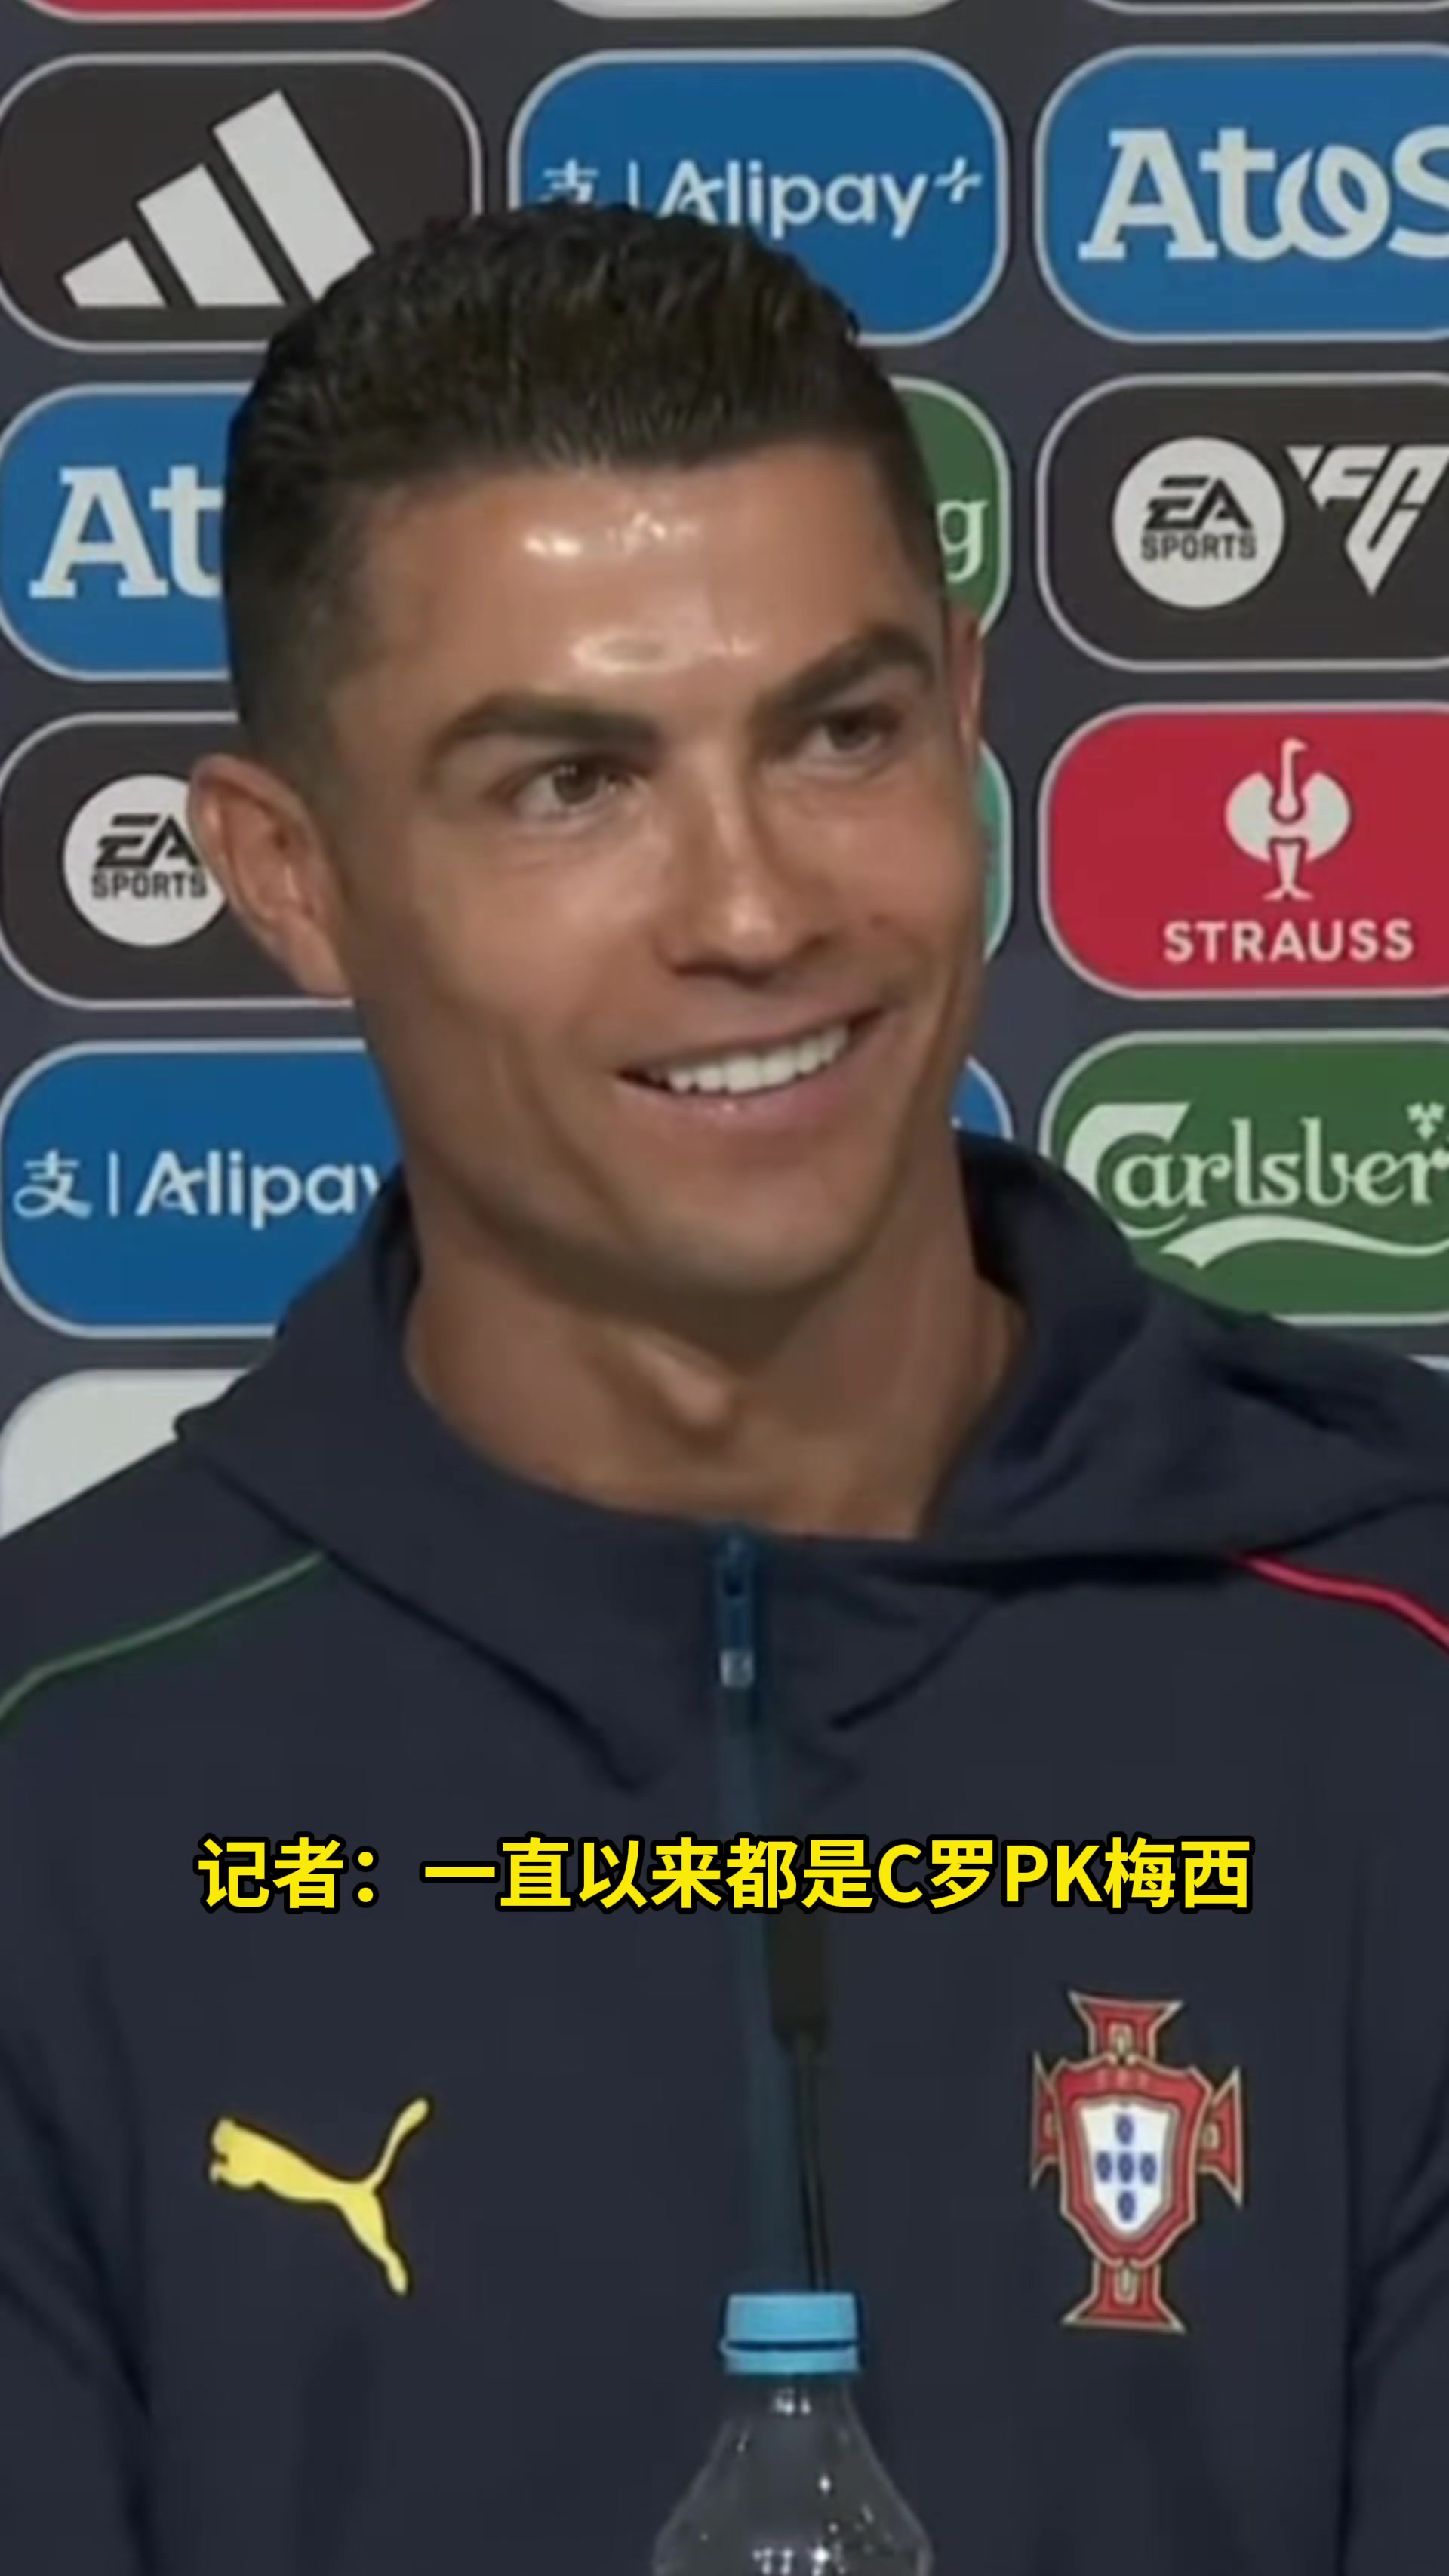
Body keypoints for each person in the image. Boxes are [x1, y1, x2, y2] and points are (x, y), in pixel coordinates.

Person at [1, 204, 1448, 2576]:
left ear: (969, 716)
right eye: (570, 783)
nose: (757, 909)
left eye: (841, 733)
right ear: (289, 873)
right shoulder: (54, 1785)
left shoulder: (1402, 1672)